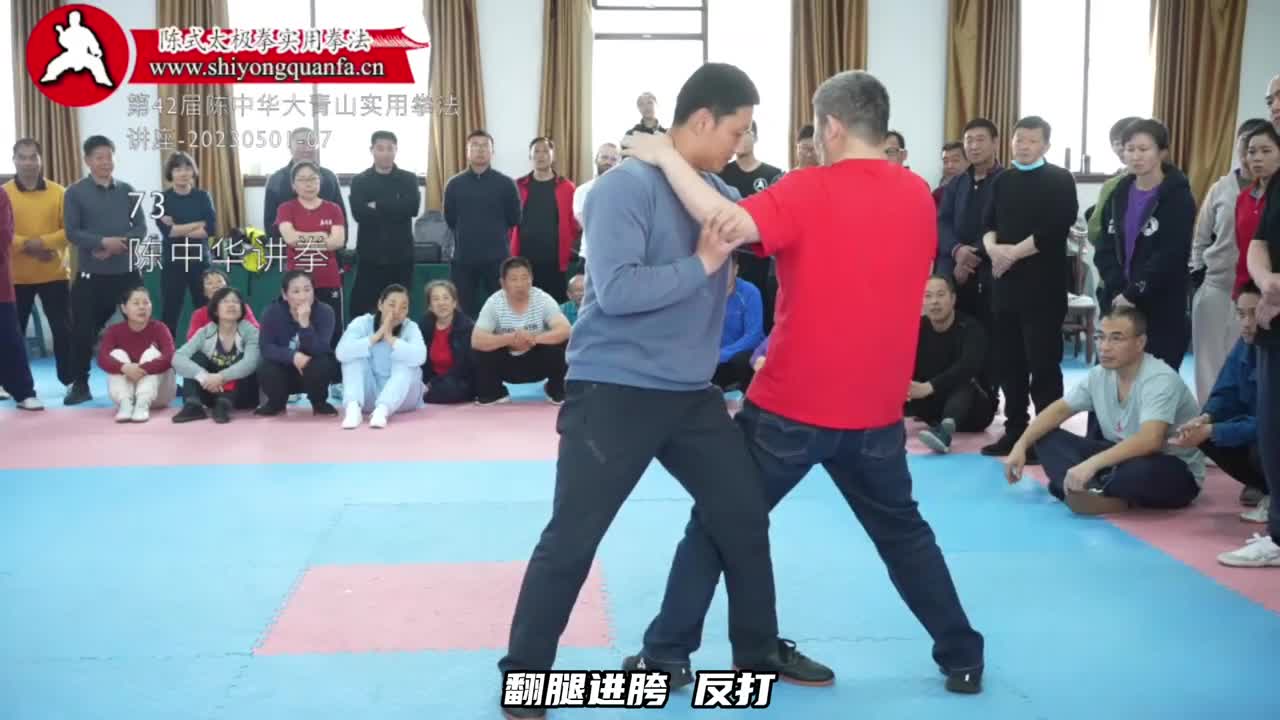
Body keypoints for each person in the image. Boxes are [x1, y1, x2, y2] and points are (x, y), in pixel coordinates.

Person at [619, 68, 983, 696]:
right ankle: (963, 656)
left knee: (716, 523)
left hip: (791, 408)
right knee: (904, 535)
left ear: (831, 127)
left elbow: (724, 223)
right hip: (876, 412)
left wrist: (662, 155)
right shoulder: (917, 195)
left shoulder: (807, 188)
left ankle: (665, 655)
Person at [497, 64, 830, 720]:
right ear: (703, 119)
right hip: (614, 391)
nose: (742, 144)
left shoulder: (714, 193)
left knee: (742, 516)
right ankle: (525, 674)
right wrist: (703, 264)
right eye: (737, 130)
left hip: (690, 395)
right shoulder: (623, 189)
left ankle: (757, 651)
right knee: (574, 537)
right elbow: (618, 291)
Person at [1002, 306, 1204, 514]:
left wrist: (1091, 465)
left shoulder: (1159, 379)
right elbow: (1059, 410)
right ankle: (1097, 491)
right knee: (1045, 437)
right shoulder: (1099, 375)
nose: (1104, 347)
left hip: (1169, 466)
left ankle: (1091, 490)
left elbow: (1150, 440)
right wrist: (1021, 445)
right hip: (1118, 456)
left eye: (1116, 339)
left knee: (1137, 472)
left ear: (1140, 342)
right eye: (1100, 337)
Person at [980, 117, 1079, 459]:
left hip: (1043, 288)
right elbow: (987, 224)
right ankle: (1014, 431)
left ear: (1046, 145)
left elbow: (1056, 228)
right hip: (1005, 286)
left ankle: (1046, 438)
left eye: (1032, 140)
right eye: (1019, 139)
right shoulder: (1002, 180)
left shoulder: (1059, 179)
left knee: (1043, 365)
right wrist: (994, 250)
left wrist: (1011, 254)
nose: (1023, 146)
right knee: (1010, 364)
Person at [1216, 72, 1280, 568]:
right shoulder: (1274, 184)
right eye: (1271, 97)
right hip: (1271, 313)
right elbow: (1258, 244)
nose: (1275, 104)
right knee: (1272, 425)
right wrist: (1265, 283)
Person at [1094, 119, 1195, 372]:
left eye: (1143, 149)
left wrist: (1133, 293)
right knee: (1110, 380)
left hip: (1160, 305)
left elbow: (1170, 254)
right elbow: (1104, 246)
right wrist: (1119, 287)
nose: (1135, 156)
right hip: (1118, 301)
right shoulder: (1118, 193)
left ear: (1162, 152)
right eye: (1130, 149)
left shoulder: (1178, 197)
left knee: (1154, 382)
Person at [1171, 281, 1267, 517]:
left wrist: (1215, 430)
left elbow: (1269, 424)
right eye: (1241, 314)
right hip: (1255, 427)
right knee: (1204, 434)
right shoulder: (1244, 345)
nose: (1246, 323)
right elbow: (1226, 392)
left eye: (1254, 313)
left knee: (1263, 442)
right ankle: (1266, 487)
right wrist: (1205, 418)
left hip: (1267, 432)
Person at [1189, 119, 1270, 402]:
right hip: (1217, 285)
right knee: (1208, 362)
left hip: (1258, 293)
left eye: (1260, 149)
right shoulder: (1221, 188)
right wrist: (1198, 273)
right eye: (1246, 147)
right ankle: (1207, 420)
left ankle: (1242, 423)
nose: (1251, 155)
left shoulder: (1272, 190)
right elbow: (1200, 237)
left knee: (1248, 364)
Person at [63, 135, 147, 406]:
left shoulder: (128, 190)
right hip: (91, 275)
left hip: (127, 272)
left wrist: (116, 245)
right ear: (87, 160)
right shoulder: (75, 192)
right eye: (99, 157)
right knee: (83, 331)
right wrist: (101, 242)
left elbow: (141, 228)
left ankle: (147, 378)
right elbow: (72, 232)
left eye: (109, 156)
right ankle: (80, 383)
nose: (105, 162)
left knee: (141, 324)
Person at [5, 138, 72, 391]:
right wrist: (29, 245)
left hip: (54, 273)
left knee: (63, 331)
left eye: (33, 157)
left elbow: (69, 231)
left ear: (41, 160)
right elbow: (2, 232)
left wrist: (43, 243)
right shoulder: (3, 193)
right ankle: (7, 383)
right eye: (22, 157)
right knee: (11, 334)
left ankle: (70, 381)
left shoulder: (59, 192)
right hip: (14, 277)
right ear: (14, 160)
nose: (28, 162)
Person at [908, 275, 997, 453]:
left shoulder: (971, 328)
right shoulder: (916, 328)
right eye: (928, 296)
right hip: (932, 410)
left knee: (965, 380)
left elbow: (968, 366)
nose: (934, 301)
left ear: (953, 299)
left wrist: (929, 387)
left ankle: (944, 433)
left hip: (974, 411)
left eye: (940, 295)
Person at [471, 257, 571, 406]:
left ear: (532, 279)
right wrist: (509, 339)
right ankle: (494, 392)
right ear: (503, 283)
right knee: (479, 349)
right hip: (507, 362)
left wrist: (533, 339)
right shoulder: (494, 302)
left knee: (563, 342)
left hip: (537, 359)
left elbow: (565, 329)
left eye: (525, 278)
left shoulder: (543, 298)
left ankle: (556, 389)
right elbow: (476, 339)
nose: (520, 284)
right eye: (514, 279)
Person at [444, 129, 521, 316]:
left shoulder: (506, 184)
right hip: (464, 258)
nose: (480, 150)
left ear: (492, 152)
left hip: (497, 258)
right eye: (475, 145)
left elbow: (515, 218)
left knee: (502, 310)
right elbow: (450, 218)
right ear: (467, 151)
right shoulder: (454, 184)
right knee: (462, 311)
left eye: (485, 146)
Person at [349, 131, 421, 320]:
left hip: (401, 257)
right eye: (380, 148)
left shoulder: (408, 179)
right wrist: (396, 206)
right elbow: (359, 214)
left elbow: (412, 208)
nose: (386, 153)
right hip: (369, 257)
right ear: (372, 150)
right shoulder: (360, 180)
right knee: (364, 309)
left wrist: (377, 205)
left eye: (390, 148)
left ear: (396, 150)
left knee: (399, 310)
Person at [276, 160, 347, 351]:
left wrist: (304, 237)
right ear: (293, 185)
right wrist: (323, 236)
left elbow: (338, 241)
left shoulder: (333, 208)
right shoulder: (286, 208)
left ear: (320, 182)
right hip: (298, 282)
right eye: (302, 180)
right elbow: (291, 238)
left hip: (328, 278)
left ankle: (332, 368)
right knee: (297, 327)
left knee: (333, 330)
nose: (308, 184)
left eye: (313, 179)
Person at [336, 283, 426, 429]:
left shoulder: (410, 327)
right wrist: (375, 337)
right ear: (380, 304)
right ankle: (353, 409)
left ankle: (382, 411)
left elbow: (420, 357)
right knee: (352, 358)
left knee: (405, 361)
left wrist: (391, 339)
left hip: (402, 399)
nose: (397, 311)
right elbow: (341, 353)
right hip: (368, 396)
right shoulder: (362, 323)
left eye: (403, 307)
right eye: (392, 305)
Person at [171, 286, 261, 423]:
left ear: (242, 309)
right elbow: (177, 358)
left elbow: (251, 362)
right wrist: (204, 377)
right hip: (210, 391)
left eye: (236, 301)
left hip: (242, 396)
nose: (231, 305)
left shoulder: (251, 331)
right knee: (197, 357)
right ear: (215, 309)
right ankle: (193, 405)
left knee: (243, 358)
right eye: (225, 301)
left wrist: (221, 377)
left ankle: (224, 404)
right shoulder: (205, 332)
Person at [255, 271, 339, 417]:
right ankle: (276, 403)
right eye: (296, 291)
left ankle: (319, 403)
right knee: (266, 365)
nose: (303, 296)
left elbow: (320, 348)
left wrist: (305, 323)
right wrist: (292, 356)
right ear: (285, 294)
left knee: (324, 362)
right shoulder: (271, 312)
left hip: (311, 369)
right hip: (284, 371)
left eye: (307, 290)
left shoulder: (325, 312)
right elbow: (266, 348)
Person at [156, 151, 217, 342]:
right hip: (173, 261)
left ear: (193, 171)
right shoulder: (162, 199)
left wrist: (178, 227)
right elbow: (168, 233)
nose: (183, 173)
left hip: (200, 260)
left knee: (206, 308)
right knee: (170, 310)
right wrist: (197, 223)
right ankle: (166, 354)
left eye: (187, 168)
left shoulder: (203, 196)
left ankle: (210, 350)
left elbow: (210, 229)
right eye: (177, 169)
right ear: (170, 173)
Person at [510, 138, 579, 303]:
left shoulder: (567, 187)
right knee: (524, 304)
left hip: (555, 259)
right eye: (536, 151)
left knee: (554, 305)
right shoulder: (518, 186)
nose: (541, 155)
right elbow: (509, 221)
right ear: (530, 156)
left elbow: (574, 223)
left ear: (553, 156)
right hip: (524, 259)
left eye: (546, 151)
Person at [97, 286, 177, 423]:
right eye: (136, 303)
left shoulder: (160, 328)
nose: (142, 307)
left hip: (159, 395)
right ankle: (125, 405)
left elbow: (170, 356)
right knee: (116, 353)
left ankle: (142, 405)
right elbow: (102, 358)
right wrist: (124, 367)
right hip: (128, 393)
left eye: (146, 302)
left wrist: (141, 369)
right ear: (124, 308)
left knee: (151, 353)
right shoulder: (114, 331)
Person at [0, 186, 42, 410]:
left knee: (9, 339)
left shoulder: (1, 196)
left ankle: (24, 392)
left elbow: (4, 235)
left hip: (0, 287)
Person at [712, 254, 763, 392]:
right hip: (714, 357)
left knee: (740, 360)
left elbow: (753, 336)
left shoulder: (750, 292)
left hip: (742, 355)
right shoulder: (706, 293)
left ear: (736, 270)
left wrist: (721, 355)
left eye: (726, 269)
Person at [421, 280, 477, 405]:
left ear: (454, 302)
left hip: (460, 380)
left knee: (450, 390)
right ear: (430, 306)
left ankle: (423, 395)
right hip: (432, 381)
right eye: (436, 299)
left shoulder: (467, 327)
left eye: (446, 298)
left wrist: (433, 383)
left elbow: (464, 367)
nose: (441, 303)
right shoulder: (424, 326)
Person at [571, 143, 621, 265]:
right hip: (590, 255)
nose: (608, 162)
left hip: (620, 256)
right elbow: (588, 224)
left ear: (619, 163)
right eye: (604, 157)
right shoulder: (582, 190)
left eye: (613, 159)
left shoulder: (627, 191)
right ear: (596, 159)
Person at [185, 269, 258, 338]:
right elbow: (192, 339)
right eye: (209, 283)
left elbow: (255, 331)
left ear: (227, 287)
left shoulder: (242, 308)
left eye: (219, 281)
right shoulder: (199, 314)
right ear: (204, 292)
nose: (215, 286)